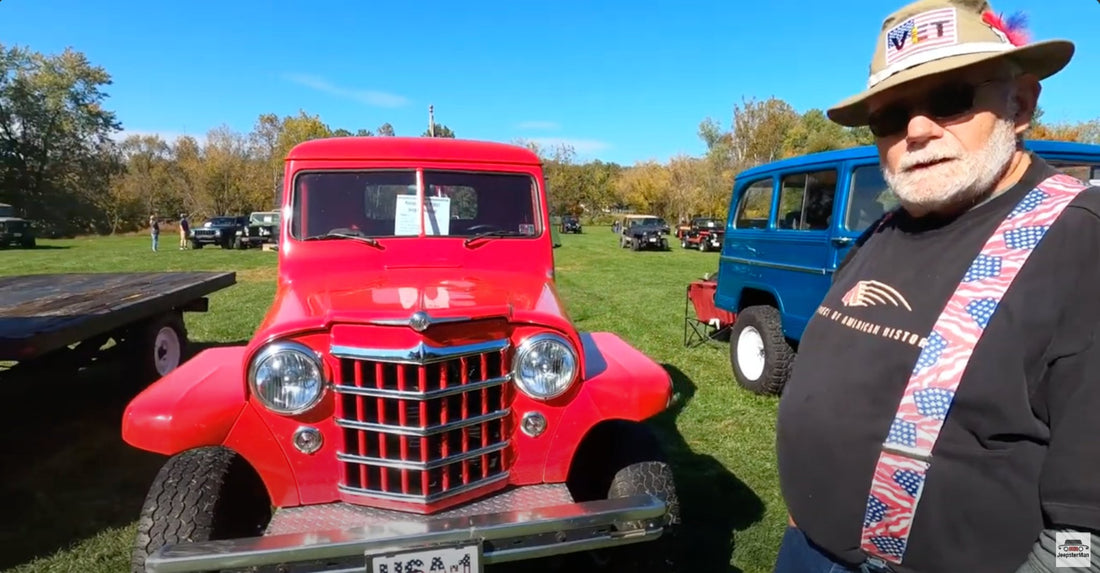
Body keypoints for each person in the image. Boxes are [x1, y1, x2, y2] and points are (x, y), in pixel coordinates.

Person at [773, 1, 1100, 572]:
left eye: (951, 100)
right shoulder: (887, 225)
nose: (917, 131)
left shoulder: (1080, 242)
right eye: (890, 116)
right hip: (806, 550)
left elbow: (1086, 525)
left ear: (1019, 104)